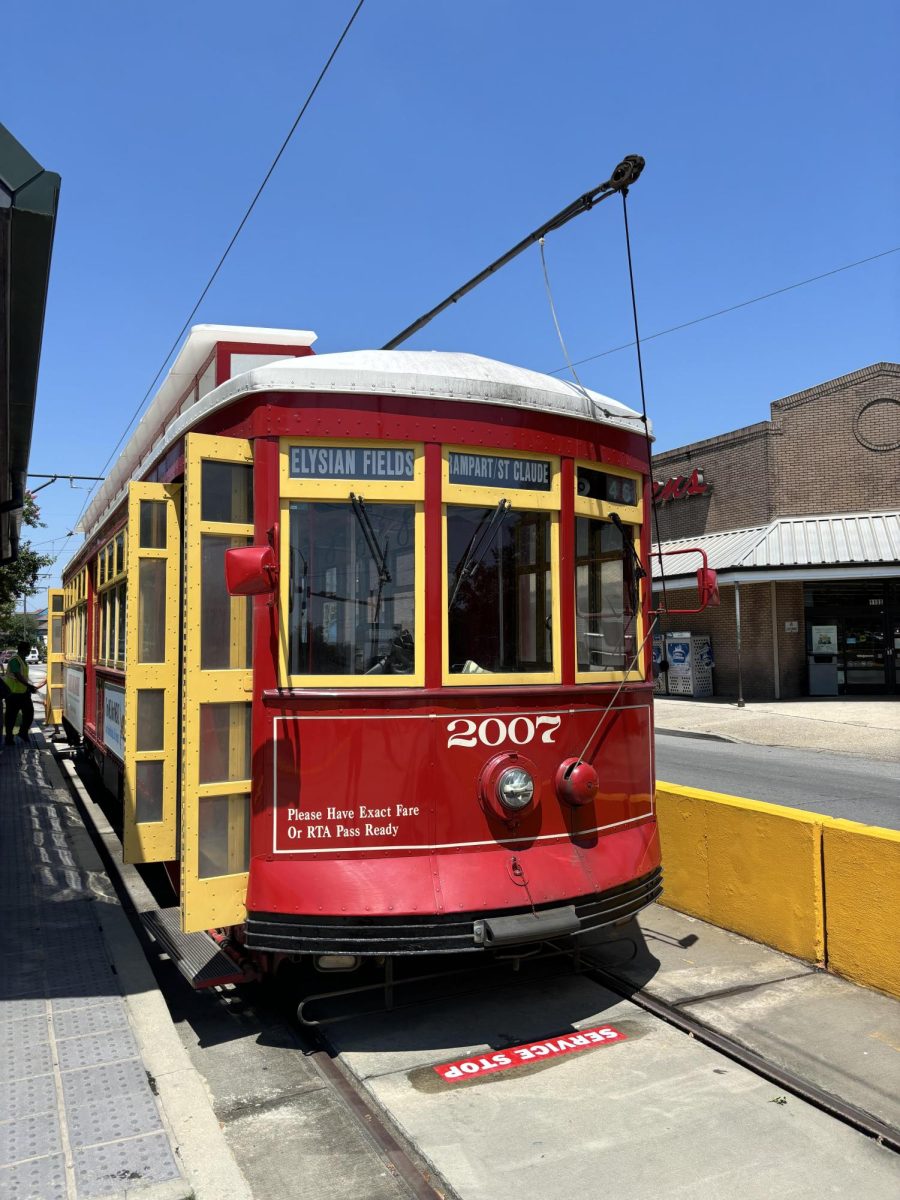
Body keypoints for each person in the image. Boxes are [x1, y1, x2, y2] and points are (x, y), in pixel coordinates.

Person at [4, 642, 40, 746]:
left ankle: (23, 732)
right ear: (23, 650)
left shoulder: (23, 660)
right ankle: (9, 737)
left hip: (23, 693)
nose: (29, 651)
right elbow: (18, 675)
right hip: (13, 694)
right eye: (28, 649)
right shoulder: (15, 660)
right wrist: (29, 686)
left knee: (29, 714)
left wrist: (28, 687)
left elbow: (23, 676)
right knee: (11, 717)